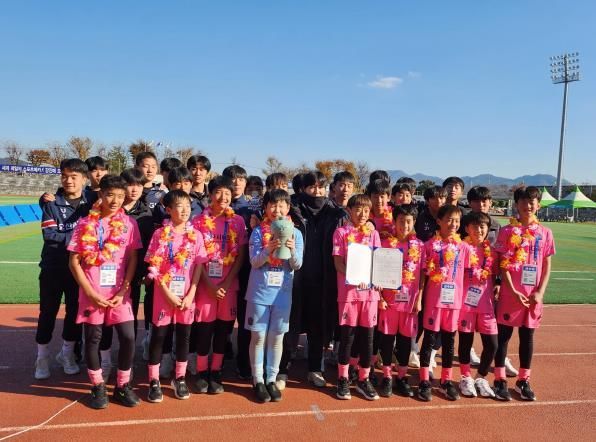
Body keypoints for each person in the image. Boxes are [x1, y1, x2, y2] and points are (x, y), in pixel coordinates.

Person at [67, 175, 142, 409]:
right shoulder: (85, 224)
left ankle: (122, 385)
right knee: (93, 339)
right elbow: (73, 262)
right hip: (92, 292)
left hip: (119, 293)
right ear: (101, 194)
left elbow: (133, 258)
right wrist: (89, 292)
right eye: (110, 195)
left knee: (128, 337)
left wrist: (124, 288)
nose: (115, 200)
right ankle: (98, 386)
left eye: (120, 196)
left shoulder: (129, 224)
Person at [145, 190, 208, 402]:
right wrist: (167, 293)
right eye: (180, 206)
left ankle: (180, 378)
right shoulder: (159, 235)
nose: (185, 210)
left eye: (188, 206)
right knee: (158, 337)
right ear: (169, 209)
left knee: (184, 336)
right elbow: (154, 268)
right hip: (164, 295)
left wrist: (191, 293)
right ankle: (153, 380)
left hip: (187, 295)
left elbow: (198, 266)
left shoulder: (196, 235)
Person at [493, 186, 555, 401]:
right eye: (523, 201)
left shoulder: (545, 233)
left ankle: (523, 380)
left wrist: (540, 292)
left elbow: (547, 265)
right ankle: (499, 379)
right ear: (517, 204)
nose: (527, 206)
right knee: (503, 337)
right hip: (510, 294)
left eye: (532, 202)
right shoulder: (507, 231)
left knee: (527, 337)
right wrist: (512, 290)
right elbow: (502, 265)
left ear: (538, 205)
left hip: (533, 296)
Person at [34, 159, 91, 380]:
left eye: (74, 176)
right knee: (48, 312)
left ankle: (67, 354)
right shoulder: (51, 204)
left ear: (84, 180)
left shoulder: (91, 204)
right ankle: (42, 357)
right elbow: (50, 236)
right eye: (65, 176)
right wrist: (83, 241)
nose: (68, 180)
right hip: (53, 268)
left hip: (78, 271)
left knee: (74, 313)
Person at [245, 189, 304, 402]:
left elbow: (297, 265)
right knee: (258, 336)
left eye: (281, 206)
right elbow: (254, 262)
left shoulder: (296, 234)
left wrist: (292, 250)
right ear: (265, 208)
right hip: (259, 294)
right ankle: (257, 379)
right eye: (272, 205)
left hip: (282, 295)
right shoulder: (258, 232)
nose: (276, 210)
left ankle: (271, 378)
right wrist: (268, 250)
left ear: (288, 208)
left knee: (277, 337)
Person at [192, 176, 248, 393]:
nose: (223, 197)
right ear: (210, 194)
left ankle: (216, 371)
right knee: (204, 331)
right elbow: (195, 257)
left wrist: (226, 281)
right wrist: (209, 284)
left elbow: (240, 256)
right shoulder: (197, 222)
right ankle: (201, 371)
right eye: (218, 192)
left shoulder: (237, 221)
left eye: (227, 193)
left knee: (224, 331)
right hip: (204, 285)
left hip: (228, 286)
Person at [98, 168, 154, 381]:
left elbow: (147, 248)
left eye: (139, 185)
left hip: (132, 277)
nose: (134, 189)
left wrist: (144, 273)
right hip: (103, 278)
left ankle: (126, 364)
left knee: (128, 324)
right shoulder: (105, 209)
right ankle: (105, 361)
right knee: (104, 322)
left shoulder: (146, 214)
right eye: (130, 184)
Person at [417, 204, 469, 402]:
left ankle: (446, 380)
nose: (453, 224)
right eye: (449, 220)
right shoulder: (429, 246)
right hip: (434, 301)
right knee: (429, 340)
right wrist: (420, 298)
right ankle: (424, 380)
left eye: (457, 220)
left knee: (449, 342)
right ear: (439, 221)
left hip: (454, 303)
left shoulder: (464, 248)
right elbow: (423, 275)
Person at [333, 194, 381, 401]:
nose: (362, 214)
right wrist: (355, 277)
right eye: (358, 209)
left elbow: (378, 261)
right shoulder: (341, 233)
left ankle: (363, 379)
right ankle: (343, 378)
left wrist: (378, 278)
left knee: (367, 338)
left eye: (366, 210)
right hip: (349, 295)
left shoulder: (374, 234)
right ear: (349, 211)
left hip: (370, 295)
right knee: (348, 338)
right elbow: (338, 263)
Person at [377, 204, 425, 398]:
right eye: (401, 221)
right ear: (394, 222)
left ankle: (402, 377)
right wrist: (380, 297)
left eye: (409, 222)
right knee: (387, 341)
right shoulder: (385, 244)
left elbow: (422, 275)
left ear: (414, 223)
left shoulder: (419, 246)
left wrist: (419, 299)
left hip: (410, 302)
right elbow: (377, 273)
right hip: (389, 302)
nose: (404, 225)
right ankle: (387, 376)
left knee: (405, 341)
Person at [457, 212, 499, 398]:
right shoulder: (461, 248)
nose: (479, 230)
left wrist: (498, 284)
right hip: (466, 304)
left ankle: (480, 377)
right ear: (467, 229)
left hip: (486, 304)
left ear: (488, 229)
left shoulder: (492, 251)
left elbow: (497, 274)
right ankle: (465, 377)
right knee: (465, 343)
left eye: (482, 226)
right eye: (474, 226)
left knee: (492, 344)